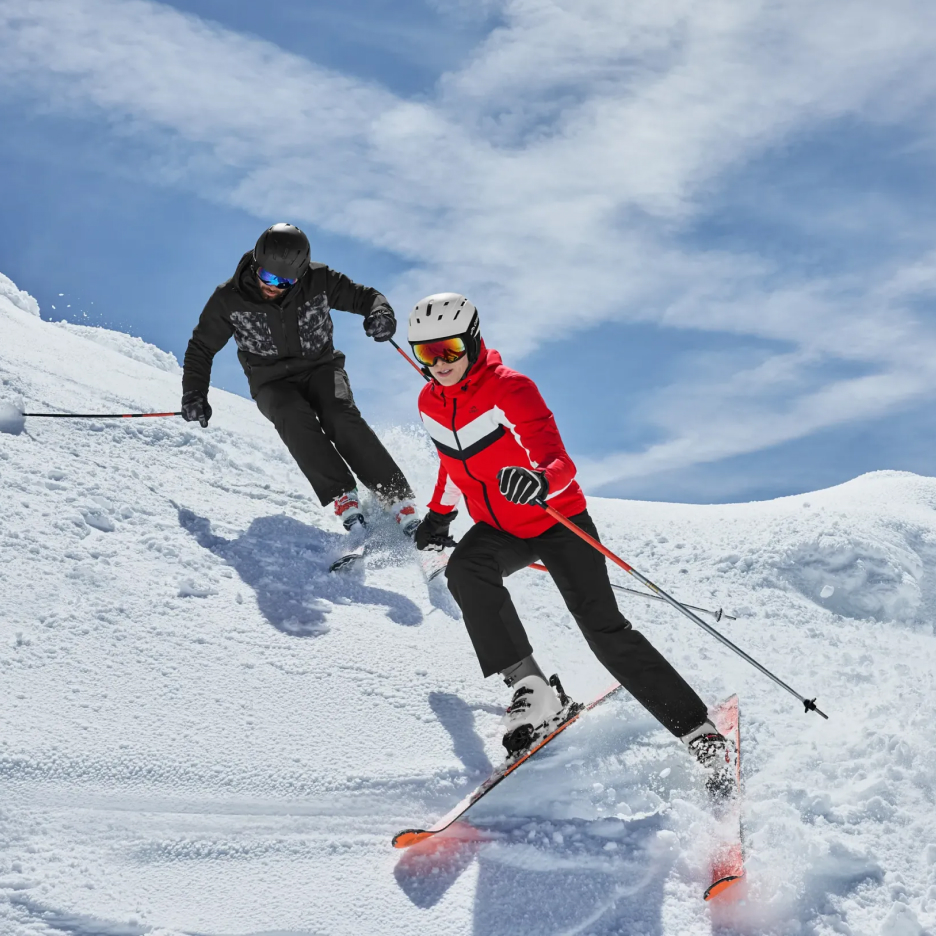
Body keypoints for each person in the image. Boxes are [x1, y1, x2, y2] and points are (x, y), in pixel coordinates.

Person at [408, 292, 733, 795]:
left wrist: (540, 481)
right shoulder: (430, 401)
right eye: (428, 353)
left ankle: (699, 732)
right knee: (466, 570)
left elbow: (558, 459)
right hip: (501, 529)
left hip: (557, 519)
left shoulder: (510, 388)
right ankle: (533, 689)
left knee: (603, 629)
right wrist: (439, 513)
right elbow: (451, 462)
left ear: (472, 340)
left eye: (450, 348)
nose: (441, 363)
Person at [180, 223, 419, 540]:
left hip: (321, 367)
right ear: (256, 264)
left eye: (285, 281)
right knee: (291, 414)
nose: (274, 287)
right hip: (271, 382)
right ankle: (344, 498)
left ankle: (397, 499)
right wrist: (194, 393)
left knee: (339, 412)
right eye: (267, 276)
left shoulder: (319, 280)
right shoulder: (229, 299)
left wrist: (381, 314)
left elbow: (366, 297)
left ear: (301, 274)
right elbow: (202, 347)